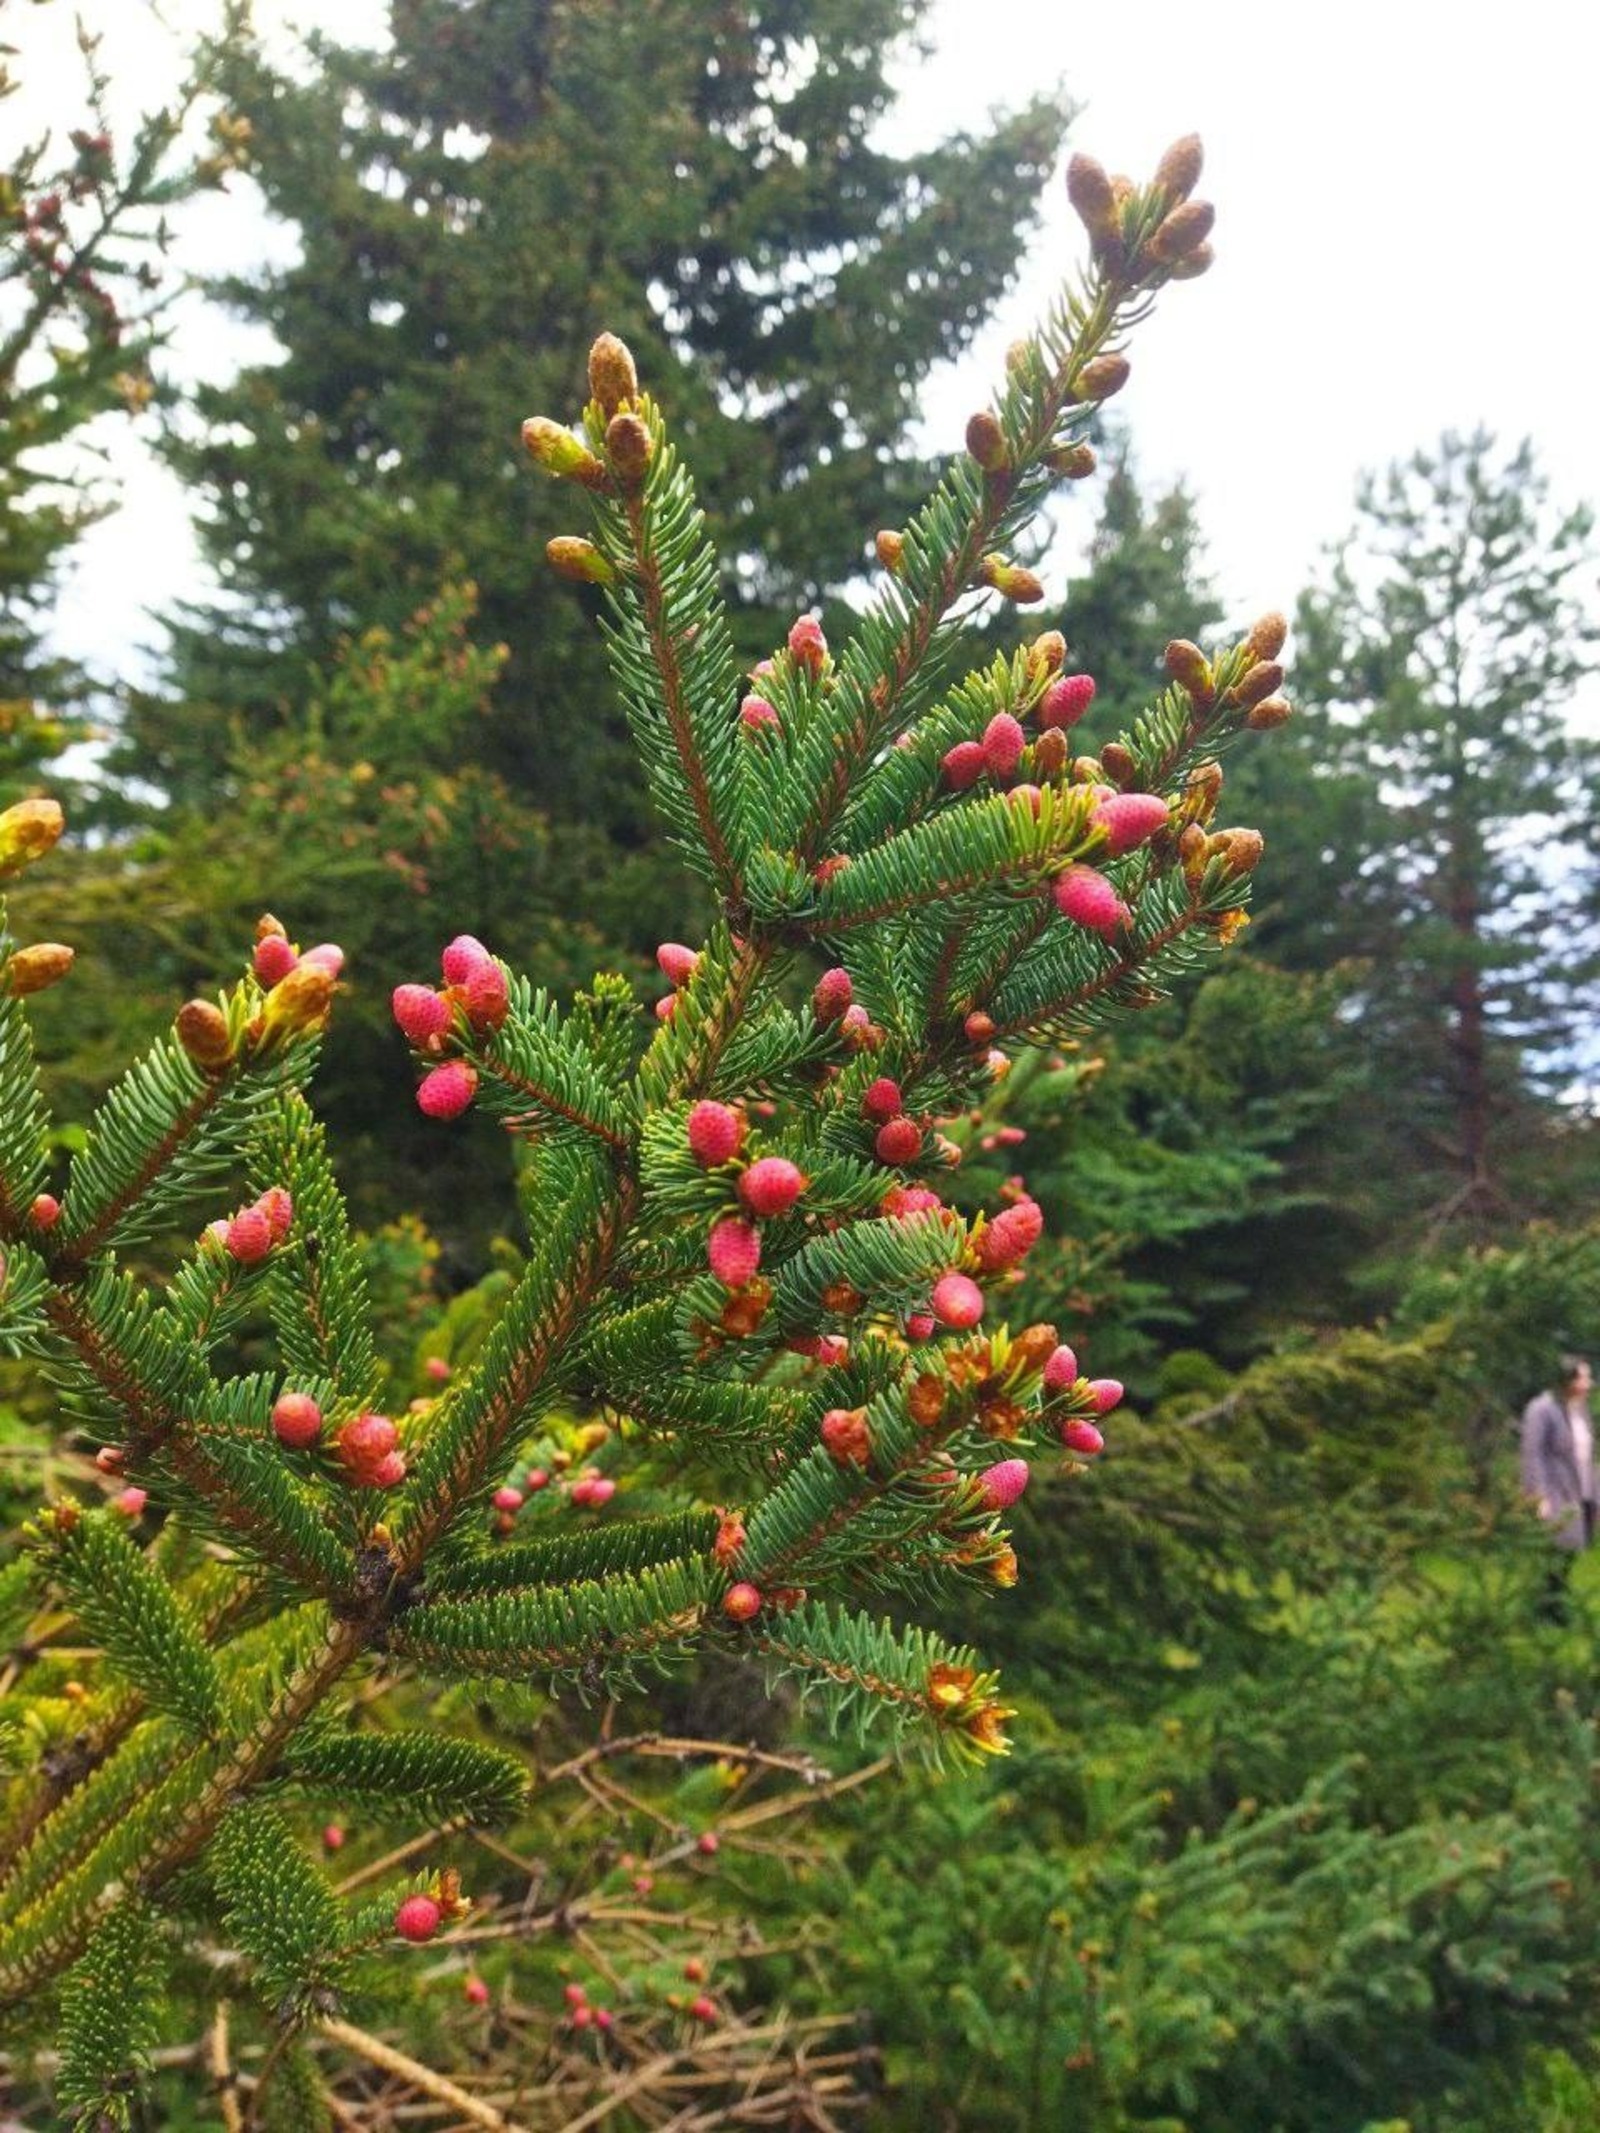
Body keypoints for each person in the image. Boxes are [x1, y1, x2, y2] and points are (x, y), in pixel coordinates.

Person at [1521, 1354, 1595, 1618]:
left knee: (1570, 1550)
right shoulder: (1542, 1409)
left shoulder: (1580, 1411)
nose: (1589, 1384)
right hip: (1555, 1490)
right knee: (1555, 1548)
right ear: (1568, 1380)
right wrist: (1538, 1495)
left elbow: (1585, 1454)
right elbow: (1533, 1453)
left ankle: (1554, 1604)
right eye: (1584, 1378)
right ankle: (1548, 1607)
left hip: (1579, 1490)